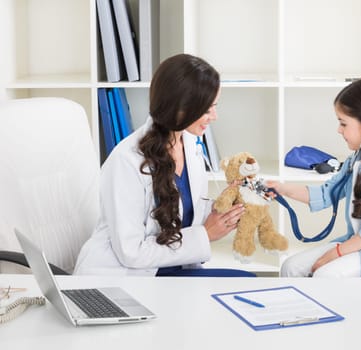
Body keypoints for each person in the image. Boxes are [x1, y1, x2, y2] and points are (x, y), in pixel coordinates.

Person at [74, 54, 251, 276]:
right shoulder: (126, 162)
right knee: (241, 285)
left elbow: (182, 210)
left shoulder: (190, 144)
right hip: (132, 276)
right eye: (207, 109)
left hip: (175, 270)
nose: (214, 116)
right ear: (180, 108)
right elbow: (131, 252)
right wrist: (205, 235)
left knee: (246, 284)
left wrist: (223, 208)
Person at [269, 77, 361, 277]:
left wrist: (335, 253)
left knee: (325, 274)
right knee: (290, 267)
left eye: (343, 123)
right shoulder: (357, 159)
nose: (339, 130)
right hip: (358, 242)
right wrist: (281, 188)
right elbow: (325, 194)